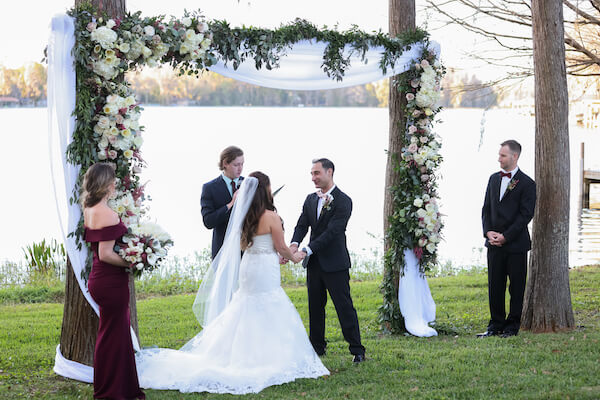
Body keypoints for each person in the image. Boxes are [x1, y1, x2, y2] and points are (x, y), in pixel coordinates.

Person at [136, 172, 329, 394]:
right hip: (265, 267)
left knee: (246, 304)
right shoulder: (271, 216)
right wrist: (294, 256)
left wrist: (271, 252)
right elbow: (281, 246)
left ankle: (240, 353)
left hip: (248, 265)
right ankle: (267, 356)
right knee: (269, 303)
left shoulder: (244, 214)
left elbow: (242, 244)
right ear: (265, 190)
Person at [290, 158, 366, 362]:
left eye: (317, 173)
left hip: (335, 263)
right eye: (311, 174)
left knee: (344, 306)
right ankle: (317, 347)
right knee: (315, 306)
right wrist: (294, 245)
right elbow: (301, 225)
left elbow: (333, 232)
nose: (313, 178)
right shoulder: (310, 199)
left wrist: (306, 250)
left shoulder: (344, 201)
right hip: (314, 264)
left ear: (329, 172)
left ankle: (357, 350)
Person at [82, 162, 145, 400]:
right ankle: (112, 391)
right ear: (106, 184)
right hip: (110, 282)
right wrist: (132, 262)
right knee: (113, 336)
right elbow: (107, 254)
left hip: (99, 279)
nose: (116, 184)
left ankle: (118, 387)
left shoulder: (89, 208)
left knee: (111, 334)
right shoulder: (106, 213)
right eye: (113, 180)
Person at [479, 140, 536, 338]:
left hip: (516, 244)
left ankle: (512, 327)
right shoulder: (493, 179)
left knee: (516, 287)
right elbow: (486, 209)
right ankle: (495, 326)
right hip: (494, 243)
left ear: (515, 156)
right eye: (499, 154)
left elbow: (526, 215)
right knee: (495, 286)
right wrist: (488, 233)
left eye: (503, 155)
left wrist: (506, 236)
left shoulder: (528, 184)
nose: (499, 158)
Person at [201, 145, 245, 259]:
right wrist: (230, 205)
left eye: (242, 164)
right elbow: (208, 221)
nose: (240, 168)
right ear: (225, 163)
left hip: (247, 251)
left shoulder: (249, 184)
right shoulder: (209, 188)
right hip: (222, 252)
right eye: (236, 165)